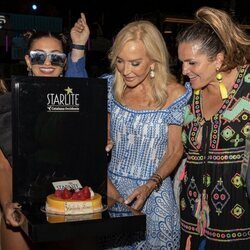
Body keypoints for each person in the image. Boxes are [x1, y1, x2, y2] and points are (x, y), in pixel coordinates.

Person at [0, 13, 89, 250]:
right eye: (39, 56)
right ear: (28, 61)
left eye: (56, 58)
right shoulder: (9, 103)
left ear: (64, 63)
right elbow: (4, 166)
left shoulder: (76, 103)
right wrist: (8, 203)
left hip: (67, 206)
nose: (47, 63)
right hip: (22, 205)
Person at [104, 20, 191, 249]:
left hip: (156, 196)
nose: (125, 70)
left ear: (154, 61)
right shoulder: (110, 88)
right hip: (112, 193)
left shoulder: (176, 94)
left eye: (135, 63)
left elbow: (175, 150)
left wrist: (150, 185)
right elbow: (100, 140)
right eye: (120, 61)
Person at [176, 6, 250, 249]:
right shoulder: (192, 94)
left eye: (192, 62)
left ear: (218, 59)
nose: (185, 71)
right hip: (192, 220)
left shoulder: (247, 88)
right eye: (182, 62)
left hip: (239, 224)